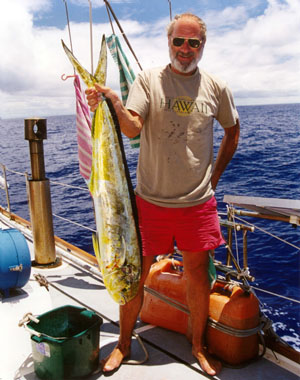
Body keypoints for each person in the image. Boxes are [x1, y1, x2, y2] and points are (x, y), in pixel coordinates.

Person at [86, 12, 240, 376]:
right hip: (149, 202)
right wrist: (112, 102)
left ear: (203, 46)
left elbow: (233, 132)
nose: (185, 49)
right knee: (133, 275)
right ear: (168, 42)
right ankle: (124, 344)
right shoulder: (148, 80)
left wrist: (214, 178)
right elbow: (131, 128)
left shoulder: (216, 87)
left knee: (198, 278)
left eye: (193, 43)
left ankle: (198, 347)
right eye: (178, 41)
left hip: (197, 203)